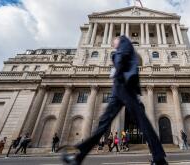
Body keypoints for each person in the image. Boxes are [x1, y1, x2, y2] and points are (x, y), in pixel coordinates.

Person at [61, 36, 167, 165]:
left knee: (141, 123)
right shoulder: (122, 48)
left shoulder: (124, 44)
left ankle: (159, 158)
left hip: (124, 86)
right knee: (105, 123)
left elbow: (122, 60)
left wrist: (116, 70)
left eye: (114, 41)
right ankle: (79, 156)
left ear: (120, 39)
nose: (112, 43)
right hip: (120, 88)